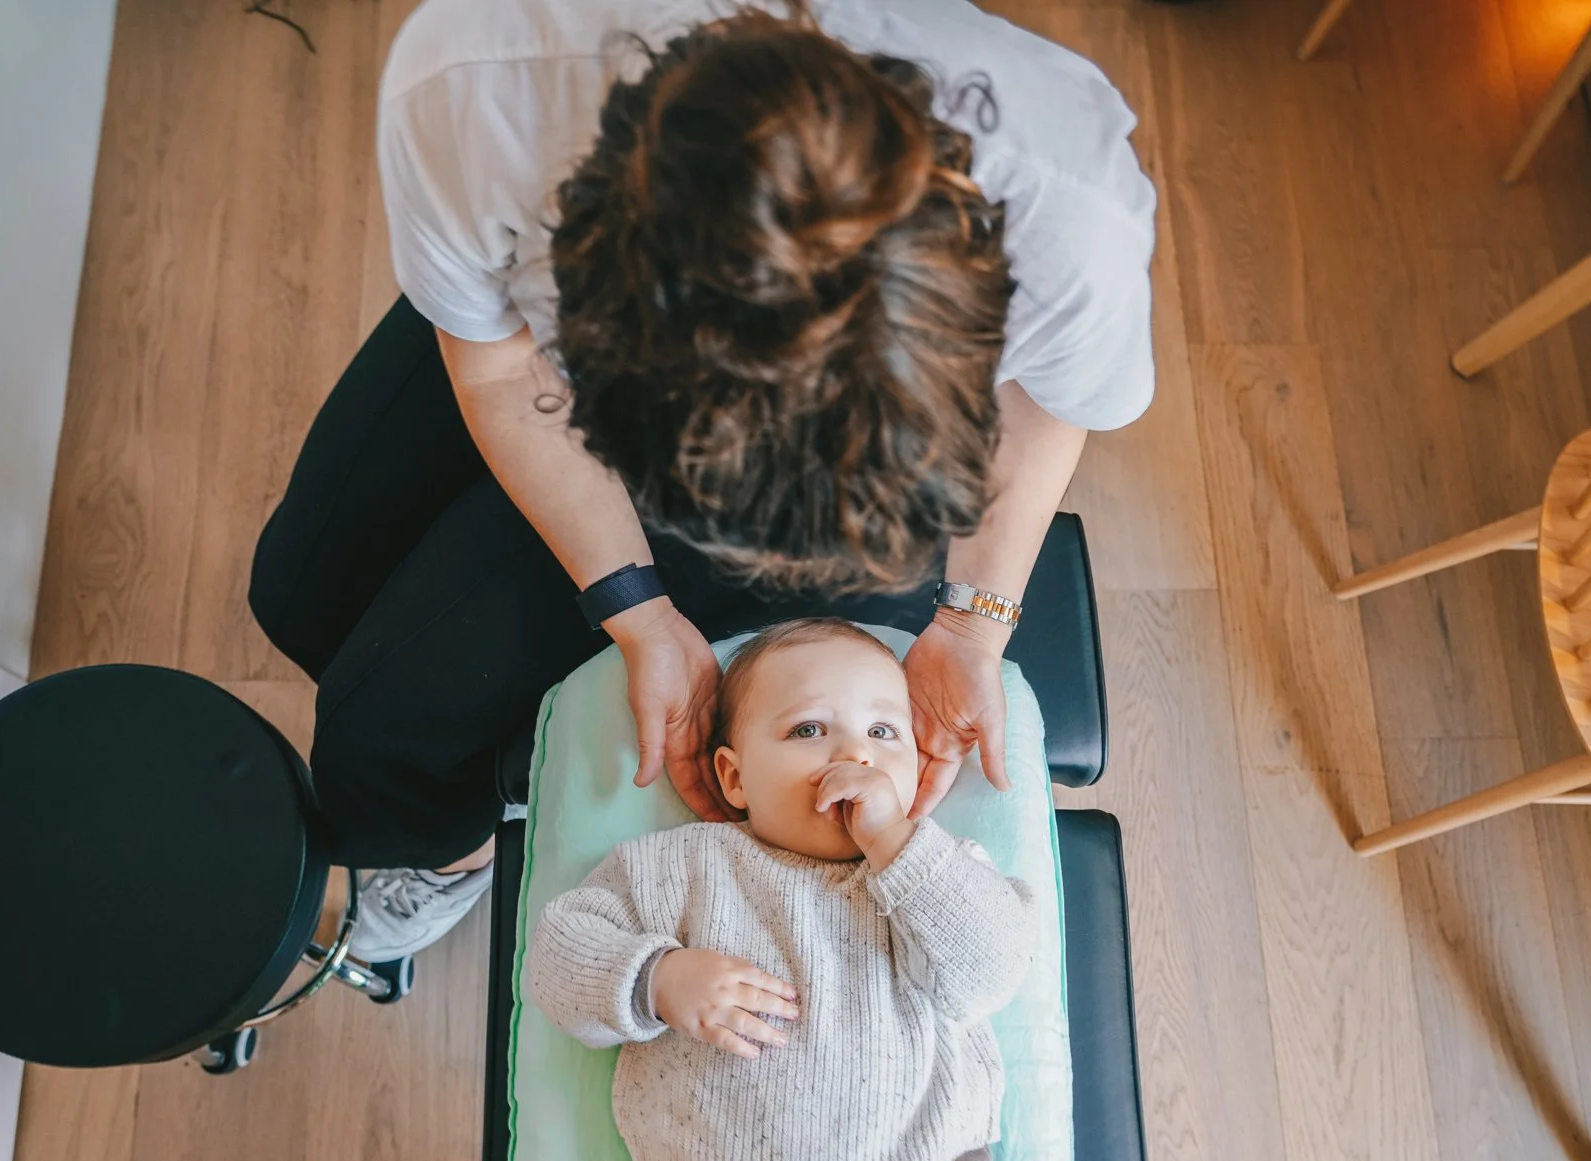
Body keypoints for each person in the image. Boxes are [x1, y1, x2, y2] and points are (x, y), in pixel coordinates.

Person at [248, 0, 1155, 962]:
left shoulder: (1068, 211)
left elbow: (1056, 401)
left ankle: (444, 851)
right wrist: (633, 601)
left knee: (395, 716)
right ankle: (435, 825)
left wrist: (972, 620)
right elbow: (502, 372)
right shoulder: (481, 82)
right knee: (300, 597)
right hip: (520, 341)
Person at [525, 619, 1036, 1161]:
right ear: (734, 777)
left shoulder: (939, 873)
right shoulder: (681, 869)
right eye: (807, 728)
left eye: (884, 732)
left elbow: (994, 967)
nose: (853, 754)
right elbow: (558, 959)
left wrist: (899, 844)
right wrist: (658, 977)